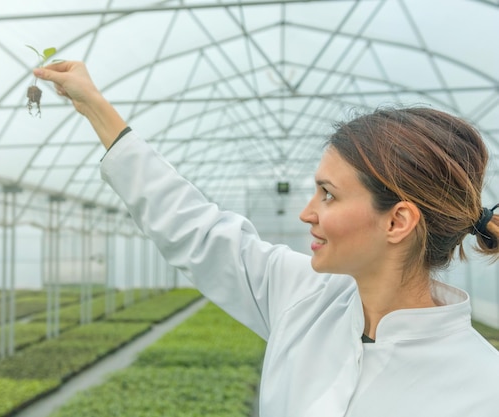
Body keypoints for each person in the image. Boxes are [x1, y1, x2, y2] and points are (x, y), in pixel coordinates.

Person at [34, 61, 499, 416]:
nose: (307, 213)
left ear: (397, 221)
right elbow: (196, 229)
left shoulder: (481, 389)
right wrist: (94, 104)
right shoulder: (305, 297)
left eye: (328, 195)